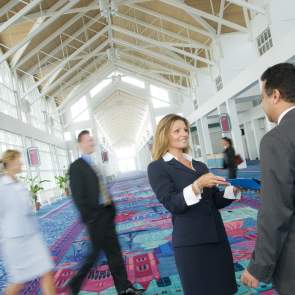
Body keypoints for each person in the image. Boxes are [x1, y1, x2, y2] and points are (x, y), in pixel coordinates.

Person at [147, 114, 240, 295]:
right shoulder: (157, 167)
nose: (184, 134)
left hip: (217, 238)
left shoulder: (199, 165)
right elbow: (173, 204)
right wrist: (197, 185)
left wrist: (235, 191)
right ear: (164, 135)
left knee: (225, 289)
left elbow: (214, 201)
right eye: (177, 130)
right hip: (192, 244)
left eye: (186, 130)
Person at [68, 130, 144, 295]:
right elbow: (78, 196)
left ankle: (125, 288)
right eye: (87, 141)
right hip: (95, 219)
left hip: (106, 214)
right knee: (94, 255)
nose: (91, 143)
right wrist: (91, 219)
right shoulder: (76, 167)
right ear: (80, 144)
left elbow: (101, 188)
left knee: (114, 253)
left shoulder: (93, 164)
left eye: (91, 140)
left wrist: (110, 209)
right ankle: (75, 283)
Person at [241, 63, 295, 295]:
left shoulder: (276, 139)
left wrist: (258, 266)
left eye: (261, 97)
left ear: (275, 95)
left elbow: (276, 210)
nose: (262, 104)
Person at [0, 150, 55, 295]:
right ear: (10, 162)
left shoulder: (20, 184)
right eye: (19, 160)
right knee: (18, 282)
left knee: (46, 271)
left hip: (32, 237)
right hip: (15, 242)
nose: (21, 163)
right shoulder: (1, 187)